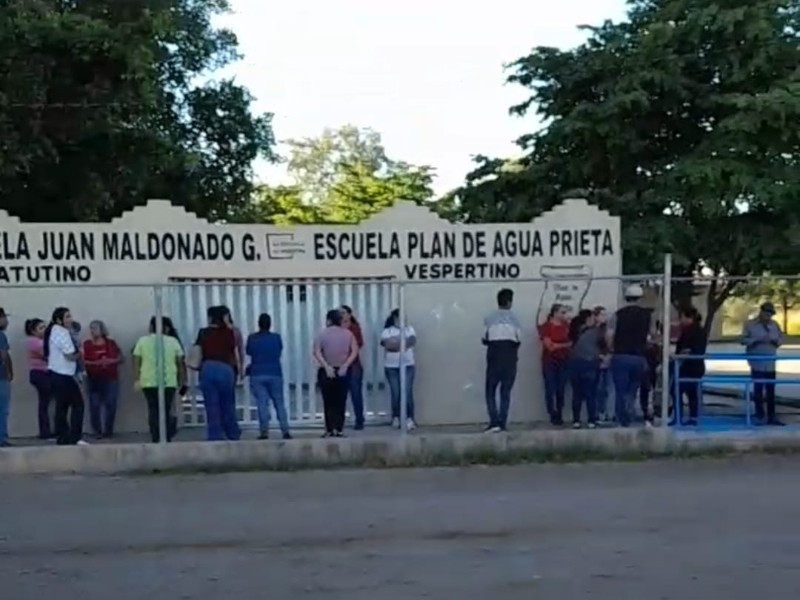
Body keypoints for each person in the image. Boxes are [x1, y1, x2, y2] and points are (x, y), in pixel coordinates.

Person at [606, 284, 654, 427]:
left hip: (620, 356)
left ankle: (622, 420)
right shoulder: (647, 315)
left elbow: (609, 335)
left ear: (626, 298)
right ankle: (630, 412)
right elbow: (652, 336)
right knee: (633, 389)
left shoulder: (617, 314)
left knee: (620, 390)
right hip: (639, 357)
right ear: (640, 298)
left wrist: (611, 349)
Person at [133, 316, 187, 443]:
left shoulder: (142, 341)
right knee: (166, 409)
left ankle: (156, 437)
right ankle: (166, 437)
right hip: (169, 381)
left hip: (148, 381)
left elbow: (136, 361)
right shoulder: (173, 341)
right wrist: (183, 381)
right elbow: (180, 363)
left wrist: (137, 379)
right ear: (166, 328)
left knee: (153, 409)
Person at [194, 305, 241, 441]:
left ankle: (215, 436)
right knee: (228, 404)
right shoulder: (229, 332)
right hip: (226, 369)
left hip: (208, 368)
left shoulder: (203, 332)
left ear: (210, 318)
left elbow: (198, 349)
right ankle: (233, 434)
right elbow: (233, 350)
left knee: (211, 405)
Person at [43, 307, 87, 446]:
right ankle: (74, 436)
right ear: (59, 320)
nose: (70, 319)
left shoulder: (54, 331)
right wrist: (80, 353)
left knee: (62, 407)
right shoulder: (62, 332)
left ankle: (63, 436)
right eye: (67, 317)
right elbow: (69, 356)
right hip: (63, 374)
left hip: (56, 373)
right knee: (78, 404)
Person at [313, 309, 359, 438]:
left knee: (328, 401)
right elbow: (354, 351)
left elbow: (317, 351)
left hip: (327, 370)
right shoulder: (348, 334)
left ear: (329, 320)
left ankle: (329, 429)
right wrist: (345, 365)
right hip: (343, 370)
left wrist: (326, 366)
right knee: (341, 400)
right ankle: (339, 429)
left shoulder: (322, 334)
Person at [246, 313, 291, 440]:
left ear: (258, 324)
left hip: (257, 373)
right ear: (270, 324)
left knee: (262, 403)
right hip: (275, 373)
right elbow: (279, 350)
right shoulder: (276, 338)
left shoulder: (252, 338)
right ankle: (285, 431)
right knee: (279, 403)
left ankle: (264, 432)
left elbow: (249, 351)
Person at [482, 288, 522, 432]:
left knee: (490, 390)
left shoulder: (489, 318)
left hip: (494, 355)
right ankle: (502, 422)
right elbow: (519, 339)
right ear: (510, 302)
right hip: (510, 356)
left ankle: (494, 422)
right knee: (505, 391)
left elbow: (484, 338)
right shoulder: (515, 319)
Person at [742, 301, 784, 425]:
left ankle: (772, 416)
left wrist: (775, 340)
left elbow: (781, 338)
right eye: (766, 313)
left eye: (770, 314)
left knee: (770, 390)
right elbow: (742, 339)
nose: (768, 316)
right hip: (757, 362)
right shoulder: (750, 324)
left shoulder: (775, 325)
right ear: (761, 312)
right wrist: (756, 340)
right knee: (758, 390)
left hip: (770, 362)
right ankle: (759, 415)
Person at [82, 320, 123, 438]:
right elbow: (82, 360)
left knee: (111, 404)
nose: (93, 331)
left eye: (95, 328)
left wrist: (110, 361)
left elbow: (120, 358)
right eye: (91, 328)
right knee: (94, 405)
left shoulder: (111, 343)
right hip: (93, 378)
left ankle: (108, 430)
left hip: (110, 378)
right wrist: (95, 363)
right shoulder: (87, 345)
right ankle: (97, 430)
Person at [381, 308, 417, 431]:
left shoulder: (409, 329)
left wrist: (397, 343)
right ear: (396, 318)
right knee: (396, 393)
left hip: (408, 365)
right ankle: (396, 416)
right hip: (392, 367)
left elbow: (411, 341)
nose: (405, 320)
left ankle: (409, 418)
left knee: (407, 392)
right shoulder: (387, 331)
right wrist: (401, 344)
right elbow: (387, 345)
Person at [568, 309, 603, 429]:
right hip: (590, 363)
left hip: (574, 363)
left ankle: (576, 420)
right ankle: (591, 420)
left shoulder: (574, 330)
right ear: (588, 319)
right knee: (591, 394)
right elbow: (603, 345)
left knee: (576, 394)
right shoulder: (595, 332)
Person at [672, 307, 707, 425]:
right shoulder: (696, 330)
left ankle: (680, 417)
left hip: (690, 366)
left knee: (678, 390)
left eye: (682, 317)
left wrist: (679, 356)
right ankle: (691, 417)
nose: (680, 320)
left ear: (689, 318)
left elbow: (688, 349)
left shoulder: (692, 331)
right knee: (691, 392)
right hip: (694, 365)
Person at [538, 303, 570, 426]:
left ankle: (559, 412)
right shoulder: (546, 327)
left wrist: (558, 345)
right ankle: (552, 413)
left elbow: (572, 342)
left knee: (561, 388)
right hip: (549, 361)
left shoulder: (566, 326)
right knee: (550, 388)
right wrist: (564, 345)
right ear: (555, 313)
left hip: (564, 361)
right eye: (562, 312)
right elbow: (549, 346)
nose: (564, 315)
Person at [25, 318, 53, 440]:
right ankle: (45, 432)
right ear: (33, 331)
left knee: (45, 403)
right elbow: (47, 354)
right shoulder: (35, 342)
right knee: (44, 404)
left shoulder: (41, 341)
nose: (44, 330)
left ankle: (47, 431)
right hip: (39, 373)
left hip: (43, 373)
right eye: (41, 328)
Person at [341, 305, 366, 430]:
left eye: (344, 312)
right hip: (340, 364)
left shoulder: (354, 328)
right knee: (341, 394)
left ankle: (359, 419)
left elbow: (359, 343)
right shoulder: (337, 328)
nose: (342, 315)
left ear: (349, 314)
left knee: (356, 393)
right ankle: (340, 420)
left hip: (354, 365)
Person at [592, 306, 613, 421]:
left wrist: (609, 356)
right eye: (602, 314)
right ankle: (597, 412)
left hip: (607, 359)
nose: (605, 317)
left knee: (607, 389)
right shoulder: (591, 330)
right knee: (597, 388)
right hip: (595, 360)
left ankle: (605, 412)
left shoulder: (607, 329)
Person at [0, 308, 12, 447]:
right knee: (2, 409)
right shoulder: (1, 336)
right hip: (1, 376)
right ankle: (1, 438)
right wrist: (9, 371)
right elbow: (3, 355)